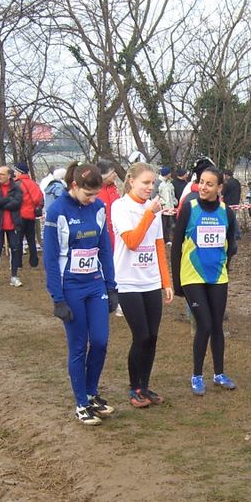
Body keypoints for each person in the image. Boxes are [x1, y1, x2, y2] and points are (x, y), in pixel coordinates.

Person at [43, 162, 119, 425]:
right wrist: (57, 298)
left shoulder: (98, 208)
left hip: (95, 283)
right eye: (88, 194)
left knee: (100, 341)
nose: (92, 199)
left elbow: (105, 248)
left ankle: (91, 393)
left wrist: (111, 286)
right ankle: (81, 403)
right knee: (78, 346)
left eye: (96, 194)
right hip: (71, 287)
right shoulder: (57, 211)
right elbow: (51, 258)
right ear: (74, 186)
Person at [171, 166, 239, 395]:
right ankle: (197, 375)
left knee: (217, 325)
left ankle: (219, 373)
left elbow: (230, 246)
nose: (203, 187)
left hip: (218, 277)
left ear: (220, 188)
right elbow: (176, 246)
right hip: (192, 276)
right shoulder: (189, 208)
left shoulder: (226, 212)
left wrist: (225, 269)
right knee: (205, 324)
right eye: (201, 182)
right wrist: (177, 282)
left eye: (209, 184)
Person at [110, 162, 173, 407]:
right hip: (128, 281)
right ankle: (134, 387)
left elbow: (158, 245)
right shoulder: (120, 207)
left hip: (150, 281)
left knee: (153, 337)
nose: (150, 187)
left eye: (152, 183)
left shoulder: (152, 208)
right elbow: (133, 241)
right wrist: (149, 214)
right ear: (131, 181)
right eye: (145, 182)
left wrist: (166, 281)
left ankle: (145, 386)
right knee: (141, 336)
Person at [0, 165, 24, 287]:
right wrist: (7, 200)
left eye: (2, 174)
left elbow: (17, 203)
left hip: (13, 224)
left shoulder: (16, 188)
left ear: (9, 175)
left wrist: (0, 203)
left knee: (15, 249)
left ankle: (14, 276)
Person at [13, 162, 45, 268]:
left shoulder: (17, 184)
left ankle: (18, 262)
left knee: (18, 240)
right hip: (31, 215)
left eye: (16, 171)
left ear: (19, 172)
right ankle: (34, 261)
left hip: (20, 215)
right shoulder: (34, 184)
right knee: (31, 239)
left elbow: (14, 200)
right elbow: (40, 198)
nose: (14, 173)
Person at [157, 166, 177, 241]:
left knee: (169, 224)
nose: (170, 174)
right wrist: (163, 203)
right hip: (163, 208)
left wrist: (174, 201)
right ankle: (163, 239)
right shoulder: (158, 183)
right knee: (163, 224)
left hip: (170, 207)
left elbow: (172, 194)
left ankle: (168, 240)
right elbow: (156, 194)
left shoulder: (170, 183)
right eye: (169, 173)